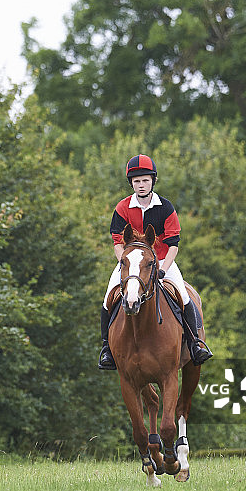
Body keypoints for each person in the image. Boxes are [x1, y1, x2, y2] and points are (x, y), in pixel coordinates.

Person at [98, 154, 213, 370]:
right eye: (137, 181)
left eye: (145, 180)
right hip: (131, 263)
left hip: (162, 261)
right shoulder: (122, 208)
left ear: (153, 181)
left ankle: (195, 344)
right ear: (131, 183)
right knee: (107, 300)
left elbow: (173, 244)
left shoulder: (165, 207)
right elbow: (116, 243)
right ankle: (107, 349)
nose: (141, 185)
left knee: (185, 297)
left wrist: (163, 269)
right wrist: (126, 264)